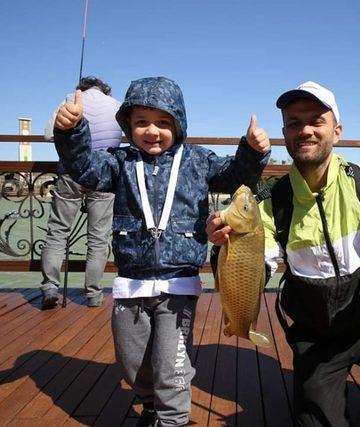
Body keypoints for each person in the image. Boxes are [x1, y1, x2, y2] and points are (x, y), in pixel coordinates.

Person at [207, 81, 360, 425]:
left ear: (336, 132)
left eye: (316, 121)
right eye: (293, 123)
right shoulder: (270, 199)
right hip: (316, 336)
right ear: (285, 135)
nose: (304, 130)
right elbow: (253, 269)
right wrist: (224, 247)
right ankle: (327, 384)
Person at [53, 76, 270, 426]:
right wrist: (71, 131)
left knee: (173, 363)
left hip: (178, 285)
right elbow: (83, 168)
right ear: (127, 125)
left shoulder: (197, 160)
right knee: (131, 360)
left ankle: (173, 419)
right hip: (131, 284)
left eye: (163, 122)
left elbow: (235, 175)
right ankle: (148, 403)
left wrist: (253, 150)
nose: (152, 131)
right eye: (141, 122)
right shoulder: (117, 161)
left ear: (179, 124)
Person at [40, 76, 122, 309]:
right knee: (98, 238)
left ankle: (49, 287)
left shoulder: (69, 100)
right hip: (103, 175)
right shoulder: (116, 105)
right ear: (105, 90)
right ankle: (94, 294)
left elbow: (49, 134)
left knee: (57, 233)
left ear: (81, 89)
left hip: (70, 172)